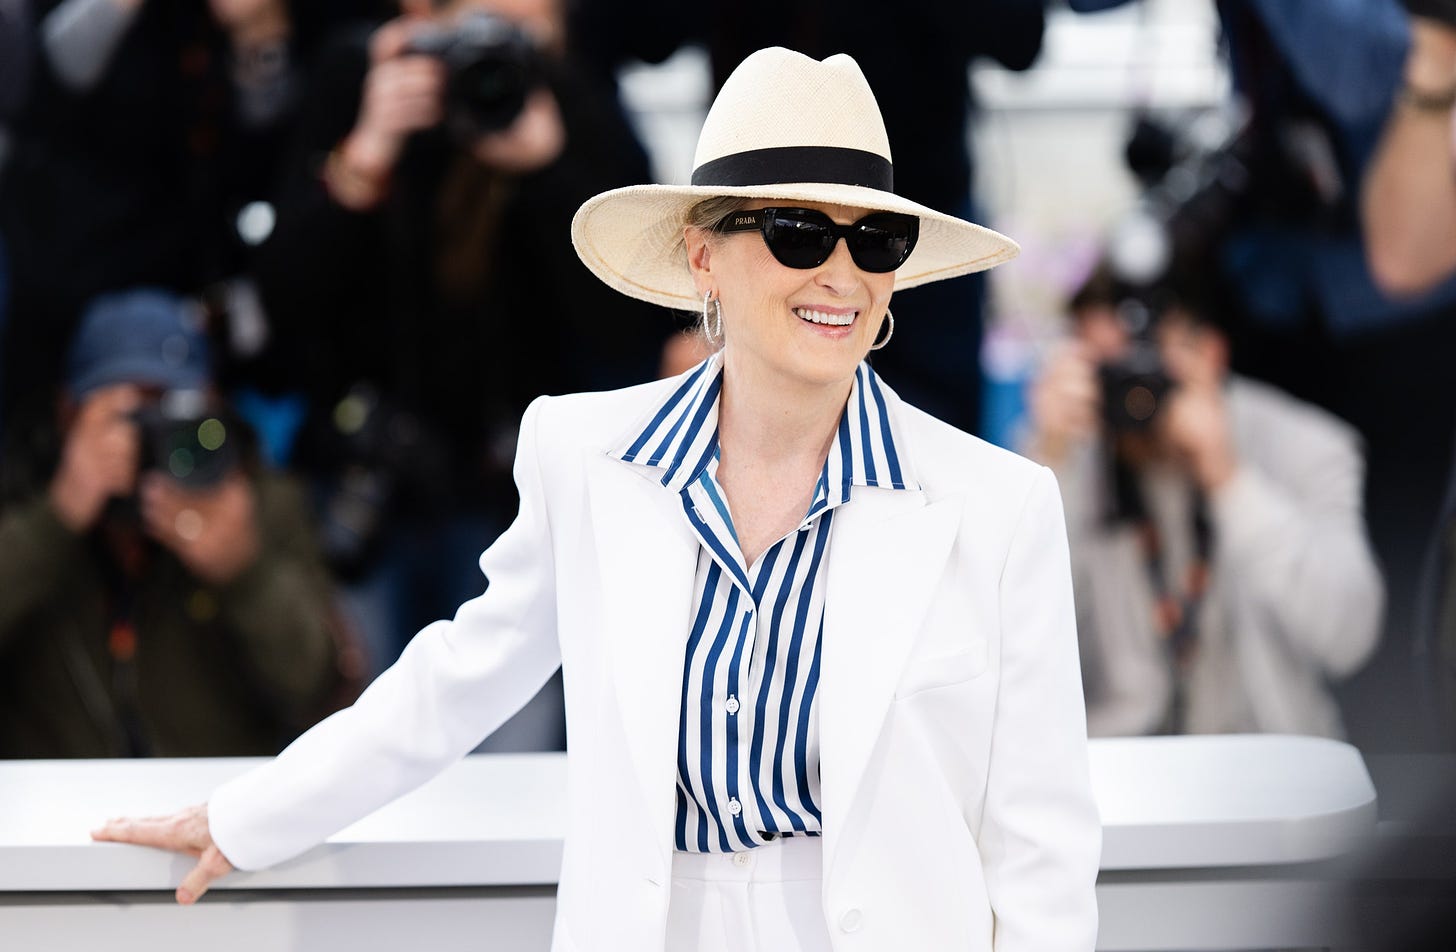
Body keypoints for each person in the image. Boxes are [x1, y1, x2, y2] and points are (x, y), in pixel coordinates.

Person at [92, 48, 1100, 951]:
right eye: (797, 232)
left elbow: (1041, 848)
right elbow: (454, 683)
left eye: (873, 240)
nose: (840, 272)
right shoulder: (588, 456)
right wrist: (245, 816)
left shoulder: (997, 505)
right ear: (703, 257)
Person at [249, 1, 669, 747]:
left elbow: (624, 334)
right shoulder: (360, 79)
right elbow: (283, 313)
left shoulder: (562, 95)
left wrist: (548, 174)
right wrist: (363, 158)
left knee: (510, 760)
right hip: (366, 490)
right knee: (359, 749)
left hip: (510, 496)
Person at [1024, 267, 1384, 738]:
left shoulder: (1307, 446)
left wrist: (1229, 480)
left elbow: (1350, 636)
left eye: (1145, 365)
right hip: (1122, 766)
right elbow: (1021, 644)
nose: (1131, 394)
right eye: (1108, 372)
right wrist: (1050, 467)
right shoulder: (1068, 456)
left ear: (1211, 353)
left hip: (1270, 759)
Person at [0, 288, 348, 757]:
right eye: (129, 416)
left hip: (212, 803)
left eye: (172, 413)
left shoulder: (262, 504)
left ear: (213, 406)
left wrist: (246, 574)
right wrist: (56, 519)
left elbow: (316, 690)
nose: (150, 440)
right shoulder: (22, 497)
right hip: (58, 808)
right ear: (69, 414)